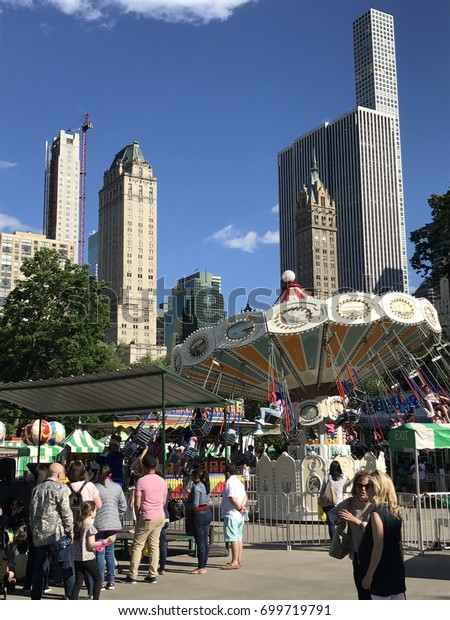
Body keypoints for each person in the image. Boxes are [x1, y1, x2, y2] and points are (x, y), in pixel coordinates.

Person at [28, 462, 75, 600]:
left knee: (40, 567)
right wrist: (70, 531)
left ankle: (36, 596)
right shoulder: (61, 489)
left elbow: (32, 512)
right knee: (66, 566)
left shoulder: (37, 489)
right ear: (60, 474)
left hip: (39, 535)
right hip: (57, 534)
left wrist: (33, 529)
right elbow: (66, 513)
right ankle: (70, 596)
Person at [359, 470, 406, 600]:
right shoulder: (395, 511)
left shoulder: (376, 513)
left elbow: (378, 545)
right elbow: (399, 543)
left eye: (368, 486)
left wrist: (369, 574)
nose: (365, 489)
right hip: (395, 567)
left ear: (377, 488)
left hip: (381, 570)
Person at [329, 470, 374, 599]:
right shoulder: (349, 503)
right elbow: (331, 513)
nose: (363, 489)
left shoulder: (376, 505)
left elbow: (374, 532)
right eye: (360, 485)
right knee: (362, 593)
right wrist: (338, 519)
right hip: (357, 556)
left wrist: (356, 521)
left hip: (374, 556)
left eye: (367, 486)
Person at [125, 454, 167, 585]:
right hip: (160, 515)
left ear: (144, 466)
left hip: (146, 515)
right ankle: (152, 573)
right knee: (154, 545)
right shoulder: (162, 481)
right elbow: (164, 500)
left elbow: (138, 503)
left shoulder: (141, 481)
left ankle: (132, 574)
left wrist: (138, 515)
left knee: (138, 545)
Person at [71, 501, 115, 600]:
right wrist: (105, 541)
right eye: (95, 510)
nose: (96, 512)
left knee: (78, 581)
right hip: (88, 558)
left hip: (78, 558)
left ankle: (73, 599)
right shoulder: (89, 527)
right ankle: (95, 599)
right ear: (91, 512)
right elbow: (91, 545)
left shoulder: (78, 525)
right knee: (98, 579)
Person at [94, 464, 126, 590]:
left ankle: (100, 580)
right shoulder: (117, 487)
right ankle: (111, 580)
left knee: (100, 553)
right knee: (110, 553)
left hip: (99, 524)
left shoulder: (95, 488)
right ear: (110, 475)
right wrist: (117, 515)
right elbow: (123, 505)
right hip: (113, 524)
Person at [220, 462, 247, 570]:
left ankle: (234, 561)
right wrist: (243, 507)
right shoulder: (239, 482)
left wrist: (239, 507)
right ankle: (238, 559)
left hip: (232, 513)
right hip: (240, 514)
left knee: (233, 538)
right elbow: (245, 496)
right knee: (239, 537)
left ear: (227, 473)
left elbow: (232, 498)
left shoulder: (229, 483)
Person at [185, 467, 212, 575]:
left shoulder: (196, 488)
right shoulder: (206, 486)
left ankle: (200, 566)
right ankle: (203, 565)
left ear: (196, 477)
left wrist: (186, 503)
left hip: (199, 514)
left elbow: (195, 504)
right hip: (207, 512)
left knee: (200, 541)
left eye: (192, 476)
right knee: (205, 541)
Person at [318, 460, 350, 539]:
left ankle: (334, 541)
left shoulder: (328, 476)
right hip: (339, 503)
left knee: (331, 523)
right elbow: (346, 489)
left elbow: (323, 488)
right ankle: (341, 538)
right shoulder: (344, 477)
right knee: (340, 523)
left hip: (329, 503)